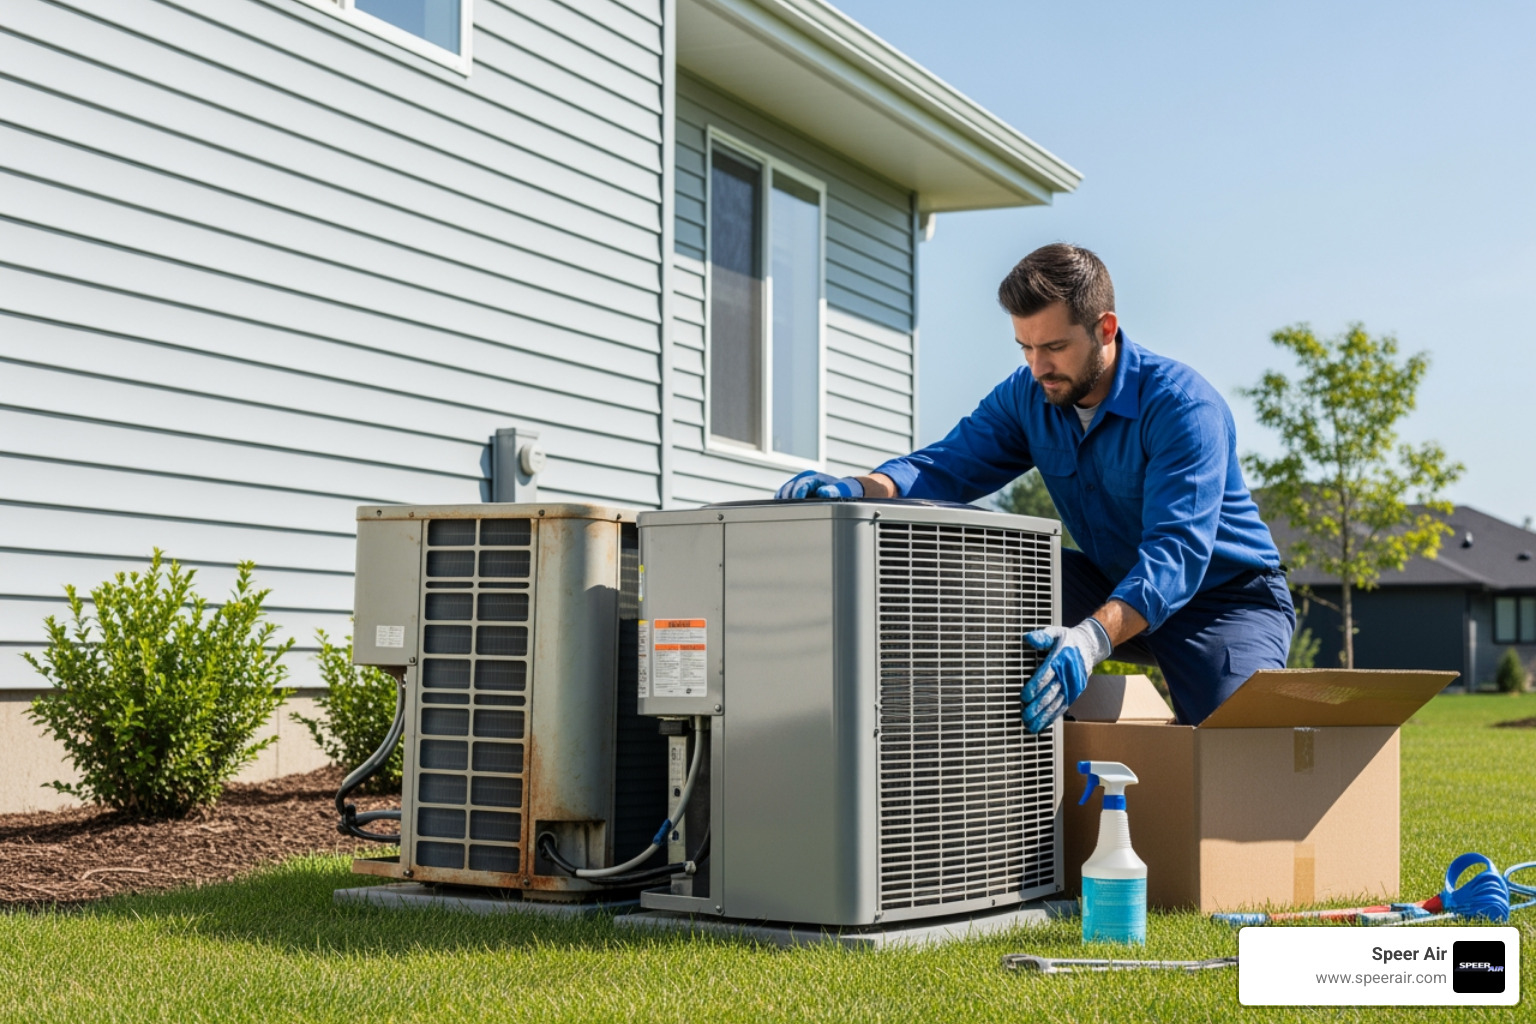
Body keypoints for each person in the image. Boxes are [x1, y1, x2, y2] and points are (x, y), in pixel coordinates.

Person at [776, 243, 1293, 729]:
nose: (1038, 366)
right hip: (1110, 584)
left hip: (1224, 602)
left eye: (1055, 346)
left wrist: (1091, 639)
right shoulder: (1030, 395)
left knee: (1235, 743)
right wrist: (858, 488)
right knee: (989, 571)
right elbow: (945, 466)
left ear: (1105, 328)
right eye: (1025, 347)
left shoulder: (1182, 408)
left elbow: (1176, 553)